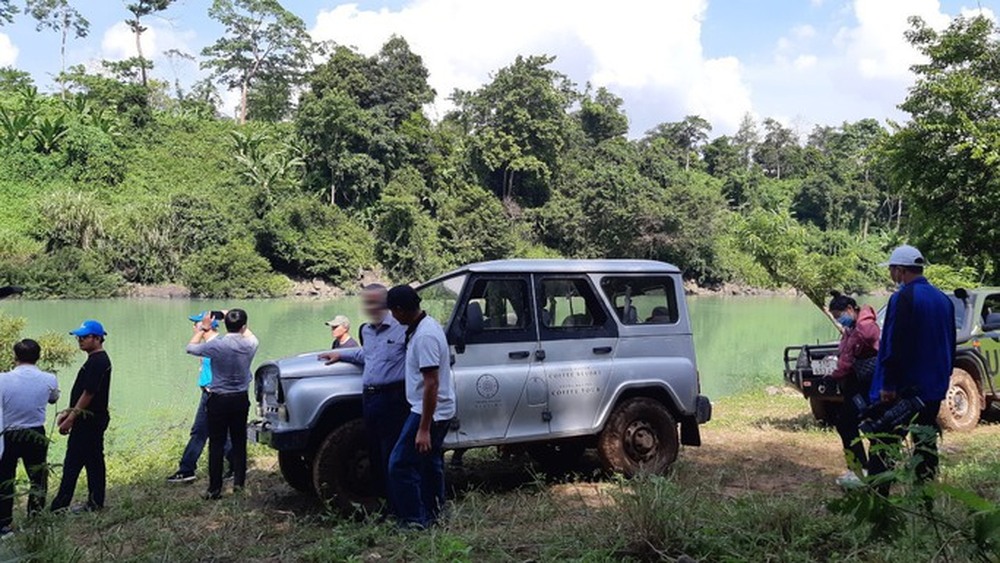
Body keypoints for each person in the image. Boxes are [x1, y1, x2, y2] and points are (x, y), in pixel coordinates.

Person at [867, 245, 955, 495]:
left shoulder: (903, 298)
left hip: (905, 389)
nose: (891, 275)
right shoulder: (943, 299)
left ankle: (878, 498)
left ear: (900, 270)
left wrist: (888, 385)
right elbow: (950, 342)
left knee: (884, 441)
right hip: (933, 388)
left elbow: (896, 343)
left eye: (892, 270)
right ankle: (925, 494)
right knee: (925, 441)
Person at [318, 284, 407, 511]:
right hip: (370, 398)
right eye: (367, 303)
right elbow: (366, 354)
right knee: (374, 451)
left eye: (375, 303)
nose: (371, 307)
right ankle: (381, 504)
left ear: (386, 304)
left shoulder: (403, 328)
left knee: (392, 454)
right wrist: (341, 354)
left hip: (394, 396)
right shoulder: (366, 330)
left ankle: (399, 506)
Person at [384, 285, 456, 528]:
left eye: (393, 311)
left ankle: (413, 520)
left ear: (401, 310)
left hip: (430, 412)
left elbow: (431, 384)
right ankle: (435, 512)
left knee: (400, 464)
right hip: (438, 409)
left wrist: (423, 428)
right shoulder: (425, 326)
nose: (392, 316)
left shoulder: (424, 336)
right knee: (429, 461)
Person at [186, 309, 258, 500]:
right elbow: (248, 333)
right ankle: (239, 484)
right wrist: (231, 314)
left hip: (219, 399)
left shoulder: (217, 345)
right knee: (239, 441)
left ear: (225, 325)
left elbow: (190, 348)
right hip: (240, 398)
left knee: (216, 444)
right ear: (243, 326)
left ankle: (214, 489)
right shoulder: (250, 344)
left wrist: (203, 328)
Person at [51, 320, 112, 513]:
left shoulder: (98, 361)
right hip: (87, 418)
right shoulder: (94, 360)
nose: (80, 340)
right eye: (79, 337)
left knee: (74, 462)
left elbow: (89, 393)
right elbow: (83, 393)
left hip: (89, 421)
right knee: (92, 461)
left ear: (97, 338)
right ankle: (94, 502)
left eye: (84, 337)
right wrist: (70, 412)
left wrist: (71, 417)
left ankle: (60, 506)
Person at [167, 312, 234, 484]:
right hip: (209, 393)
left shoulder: (217, 345)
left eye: (196, 324)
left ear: (206, 325)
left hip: (214, 394)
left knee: (204, 432)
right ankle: (234, 466)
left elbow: (190, 347)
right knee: (210, 432)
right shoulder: (210, 345)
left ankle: (187, 469)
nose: (193, 327)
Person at [0, 340, 59, 534]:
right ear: (38, 356)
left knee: (5, 477)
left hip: (9, 433)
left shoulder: (2, 379)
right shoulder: (49, 378)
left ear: (15, 357)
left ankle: (4, 523)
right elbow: (53, 399)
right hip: (36, 433)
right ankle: (36, 518)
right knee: (38, 476)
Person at [823, 292, 880, 488]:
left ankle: (862, 471)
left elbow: (848, 357)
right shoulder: (853, 327)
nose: (840, 320)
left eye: (840, 315)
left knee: (850, 423)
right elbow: (845, 354)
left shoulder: (865, 327)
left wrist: (835, 375)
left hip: (869, 383)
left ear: (850, 310)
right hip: (857, 382)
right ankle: (861, 468)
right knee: (847, 423)